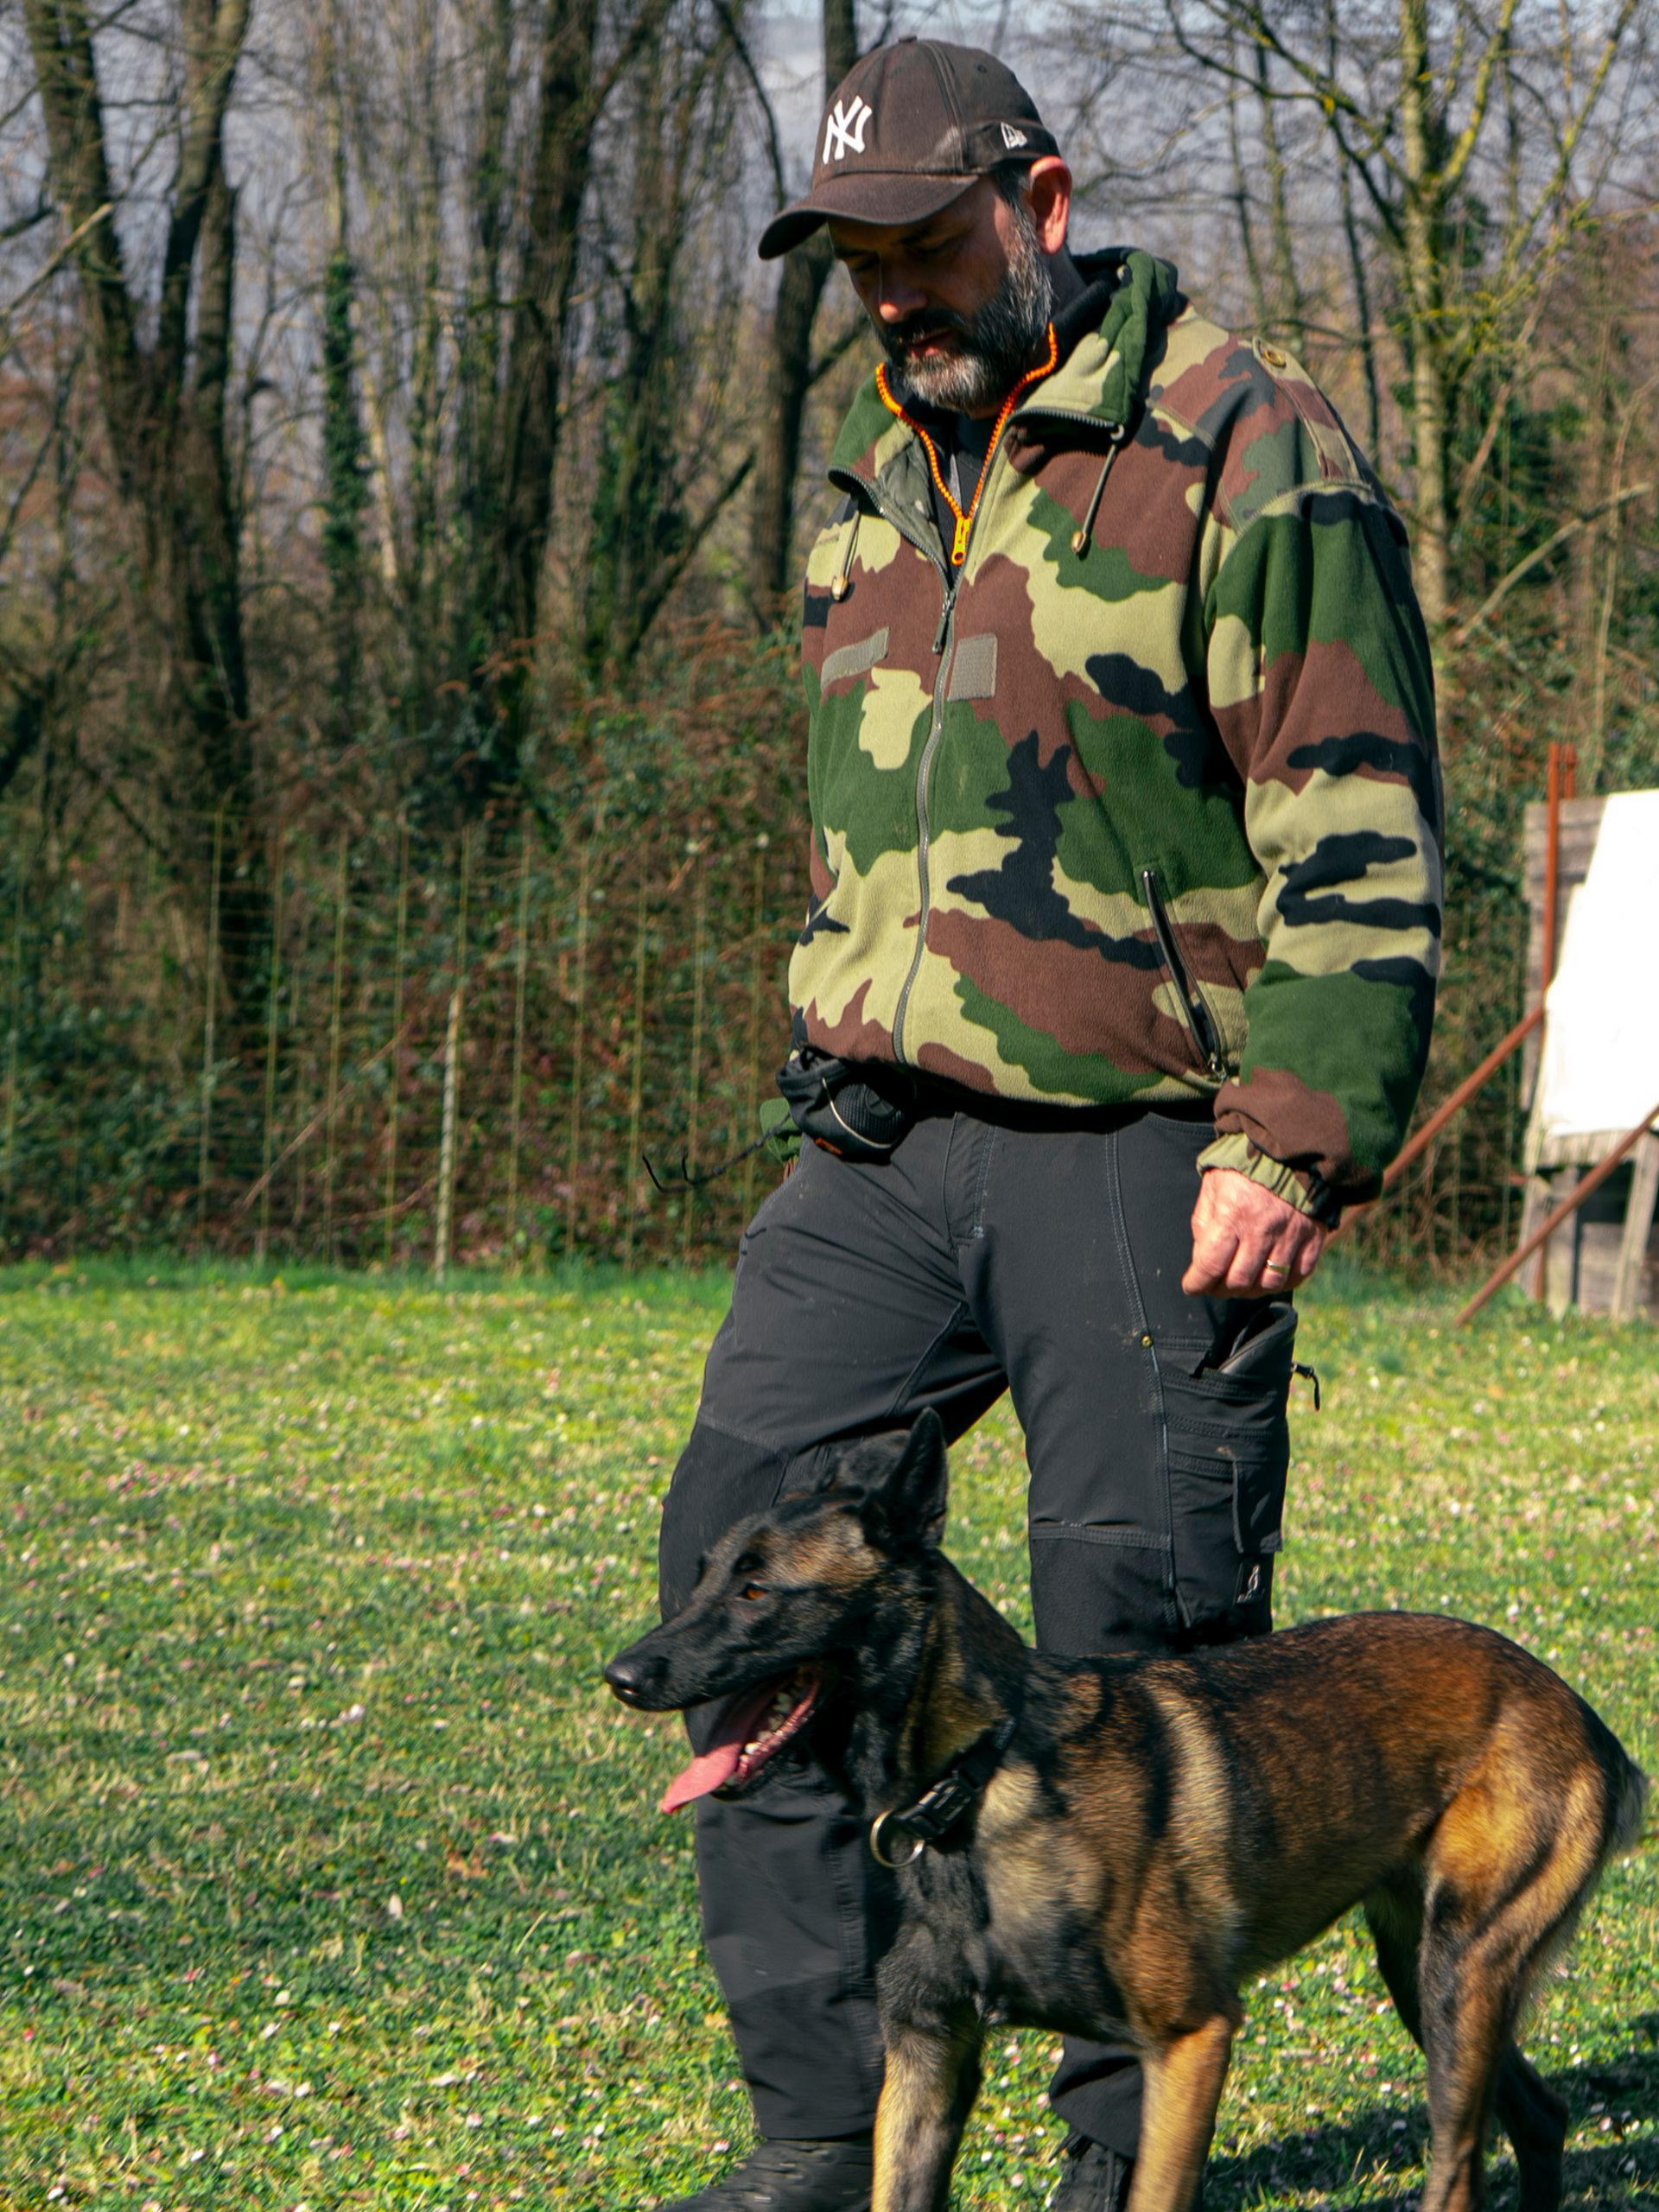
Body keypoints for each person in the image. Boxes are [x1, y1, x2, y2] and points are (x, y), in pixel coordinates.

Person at [652, 35, 1442, 2212]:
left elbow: (1360, 824)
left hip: (1149, 1147)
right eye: (856, 264)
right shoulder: (865, 492)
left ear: (1043, 199)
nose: (894, 296)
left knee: (1142, 1642)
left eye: (925, 242)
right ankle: (827, 2118)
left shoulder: (1243, 449)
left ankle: (1120, 2148)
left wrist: (1291, 1138)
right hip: (882, 1153)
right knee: (741, 1570)